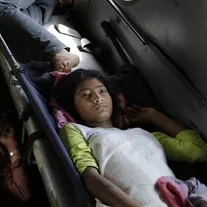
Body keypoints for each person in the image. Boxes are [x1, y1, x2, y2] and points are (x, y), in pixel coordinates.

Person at [53, 69, 207, 207]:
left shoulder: (144, 134)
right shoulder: (78, 131)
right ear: (73, 106)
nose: (97, 98)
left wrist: (154, 116)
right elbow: (91, 178)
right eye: (85, 95)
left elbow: (197, 149)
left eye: (102, 91)